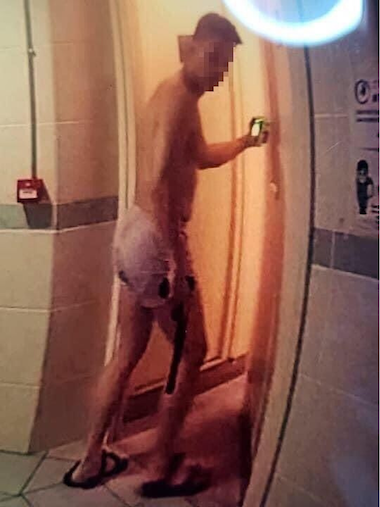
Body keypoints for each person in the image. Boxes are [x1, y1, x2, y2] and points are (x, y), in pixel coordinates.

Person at [63, 13, 265, 497]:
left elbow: (199, 156)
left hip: (134, 234)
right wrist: (174, 260)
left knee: (128, 352)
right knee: (192, 352)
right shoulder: (177, 100)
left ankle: (90, 461)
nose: (219, 72)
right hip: (155, 239)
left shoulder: (177, 98)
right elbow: (157, 183)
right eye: (213, 58)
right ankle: (158, 468)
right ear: (191, 48)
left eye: (225, 64)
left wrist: (246, 141)